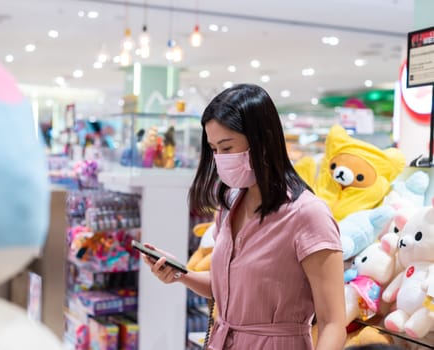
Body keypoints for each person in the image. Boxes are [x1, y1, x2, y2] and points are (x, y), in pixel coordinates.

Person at [142, 84, 346, 349]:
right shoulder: (230, 205)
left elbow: (332, 322)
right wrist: (181, 273)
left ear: (263, 141)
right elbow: (228, 289)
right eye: (214, 149)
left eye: (227, 148)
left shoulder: (308, 214)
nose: (219, 159)